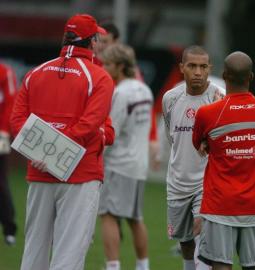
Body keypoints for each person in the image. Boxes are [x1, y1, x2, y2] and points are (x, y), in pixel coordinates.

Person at [10, 14, 114, 270]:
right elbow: (90, 125)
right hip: (80, 174)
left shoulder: (36, 72)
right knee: (69, 252)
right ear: (93, 41)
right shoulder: (100, 77)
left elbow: (17, 120)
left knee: (34, 250)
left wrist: (42, 153)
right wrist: (54, 153)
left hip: (38, 170)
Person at [192, 51, 255, 270]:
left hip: (219, 205)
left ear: (224, 76)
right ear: (251, 77)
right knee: (254, 266)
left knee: (220, 265)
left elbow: (197, 143)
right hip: (253, 206)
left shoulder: (208, 113)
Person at [162, 45, 224, 270]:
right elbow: (173, 137)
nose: (198, 72)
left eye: (203, 66)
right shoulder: (170, 98)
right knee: (185, 241)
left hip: (206, 183)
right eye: (192, 66)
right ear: (182, 68)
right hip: (177, 183)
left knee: (202, 238)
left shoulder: (219, 98)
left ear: (210, 68)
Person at [98, 44, 153, 270]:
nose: (103, 67)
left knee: (108, 215)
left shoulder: (120, 93)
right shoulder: (144, 89)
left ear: (120, 66)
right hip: (139, 164)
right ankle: (143, 265)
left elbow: (112, 132)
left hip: (119, 164)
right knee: (135, 217)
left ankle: (112, 267)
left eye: (108, 64)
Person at [95, 22, 160, 170]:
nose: (100, 46)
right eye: (98, 41)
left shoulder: (126, 73)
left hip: (116, 146)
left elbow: (143, 103)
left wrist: (153, 137)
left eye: (105, 42)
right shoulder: (93, 64)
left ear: (115, 42)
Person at [0, 62, 18, 246]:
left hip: (0, 134)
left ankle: (9, 228)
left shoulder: (5, 72)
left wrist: (4, 131)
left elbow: (11, 101)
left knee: (1, 182)